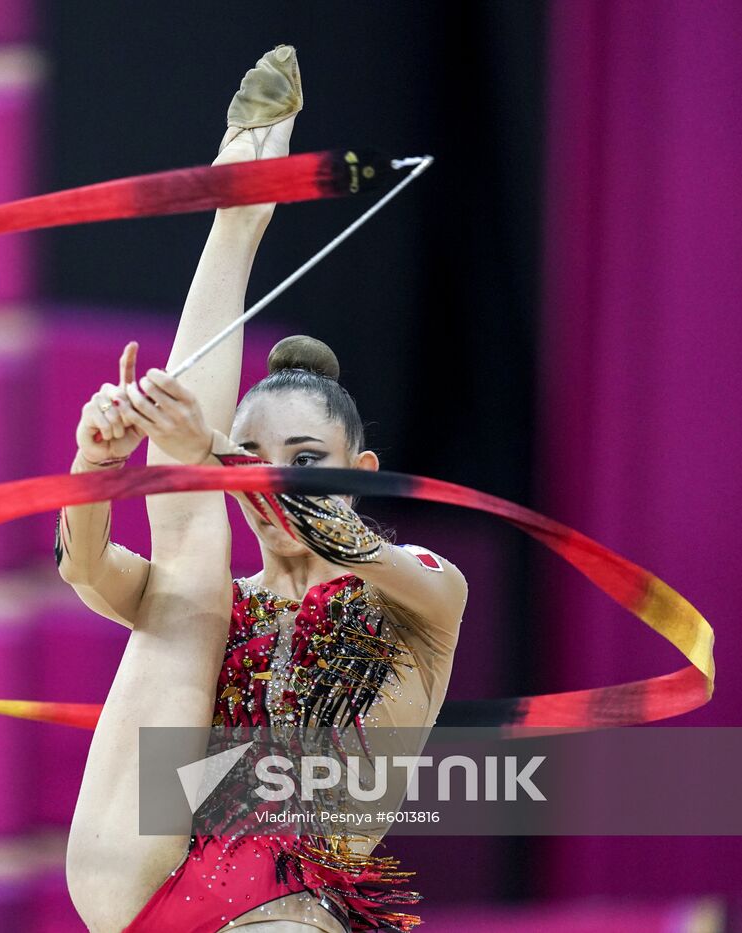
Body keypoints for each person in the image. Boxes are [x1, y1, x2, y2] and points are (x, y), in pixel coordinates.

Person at [55, 46, 467, 933]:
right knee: (186, 563)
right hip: (134, 869)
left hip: (280, 907)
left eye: (305, 454)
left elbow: (339, 537)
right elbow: (82, 567)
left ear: (359, 474)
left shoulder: (420, 590)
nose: (268, 472)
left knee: (190, 527)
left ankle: (240, 216)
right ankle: (236, 212)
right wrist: (95, 465)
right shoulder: (213, 603)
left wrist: (214, 451)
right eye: (252, 451)